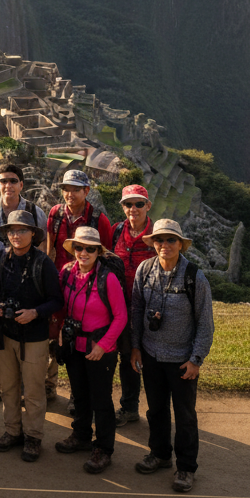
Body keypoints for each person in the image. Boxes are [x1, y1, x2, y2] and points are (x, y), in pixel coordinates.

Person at [130, 218, 214, 493]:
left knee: (185, 415)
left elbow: (204, 322)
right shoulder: (145, 270)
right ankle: (160, 454)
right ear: (153, 243)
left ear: (180, 244)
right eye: (159, 240)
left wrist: (196, 359)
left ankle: (186, 467)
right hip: (152, 354)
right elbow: (136, 311)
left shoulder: (194, 277)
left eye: (170, 240)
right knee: (156, 410)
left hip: (181, 359)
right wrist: (135, 347)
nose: (164, 245)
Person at [0, 210, 63, 462]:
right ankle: (12, 430)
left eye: (22, 230)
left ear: (33, 233)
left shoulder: (43, 264)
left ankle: (33, 436)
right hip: (5, 334)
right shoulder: (0, 258)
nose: (16, 235)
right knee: (9, 387)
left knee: (33, 391)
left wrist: (35, 312)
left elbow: (57, 300)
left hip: (34, 337)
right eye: (12, 231)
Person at [54, 225, 128, 474]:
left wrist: (104, 346)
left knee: (101, 400)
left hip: (101, 348)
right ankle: (82, 436)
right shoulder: (66, 273)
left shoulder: (108, 279)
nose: (83, 252)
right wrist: (61, 332)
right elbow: (61, 307)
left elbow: (120, 317)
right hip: (75, 345)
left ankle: (104, 449)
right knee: (80, 394)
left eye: (90, 249)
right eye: (79, 247)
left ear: (99, 252)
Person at [46, 169, 111, 408]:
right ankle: (49, 385)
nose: (69, 193)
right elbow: (50, 249)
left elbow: (105, 255)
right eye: (66, 188)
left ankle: (78, 394)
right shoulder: (55, 214)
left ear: (87, 191)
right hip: (60, 282)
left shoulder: (98, 220)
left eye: (75, 189)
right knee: (54, 334)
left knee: (81, 336)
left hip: (87, 286)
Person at [110, 184, 156, 426]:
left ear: (148, 206)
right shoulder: (117, 231)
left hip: (150, 307)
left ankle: (157, 411)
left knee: (150, 358)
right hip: (120, 305)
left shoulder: (156, 234)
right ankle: (129, 407)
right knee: (126, 356)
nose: (133, 208)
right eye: (128, 204)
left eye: (139, 203)